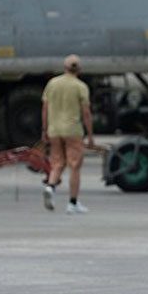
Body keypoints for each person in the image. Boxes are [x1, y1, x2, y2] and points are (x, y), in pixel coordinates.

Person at [41, 55, 95, 214]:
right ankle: (73, 203)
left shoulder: (52, 84)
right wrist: (90, 135)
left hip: (54, 130)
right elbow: (86, 113)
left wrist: (44, 130)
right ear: (79, 70)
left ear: (64, 68)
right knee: (74, 166)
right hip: (72, 130)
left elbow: (45, 109)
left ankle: (50, 187)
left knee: (57, 163)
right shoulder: (80, 86)